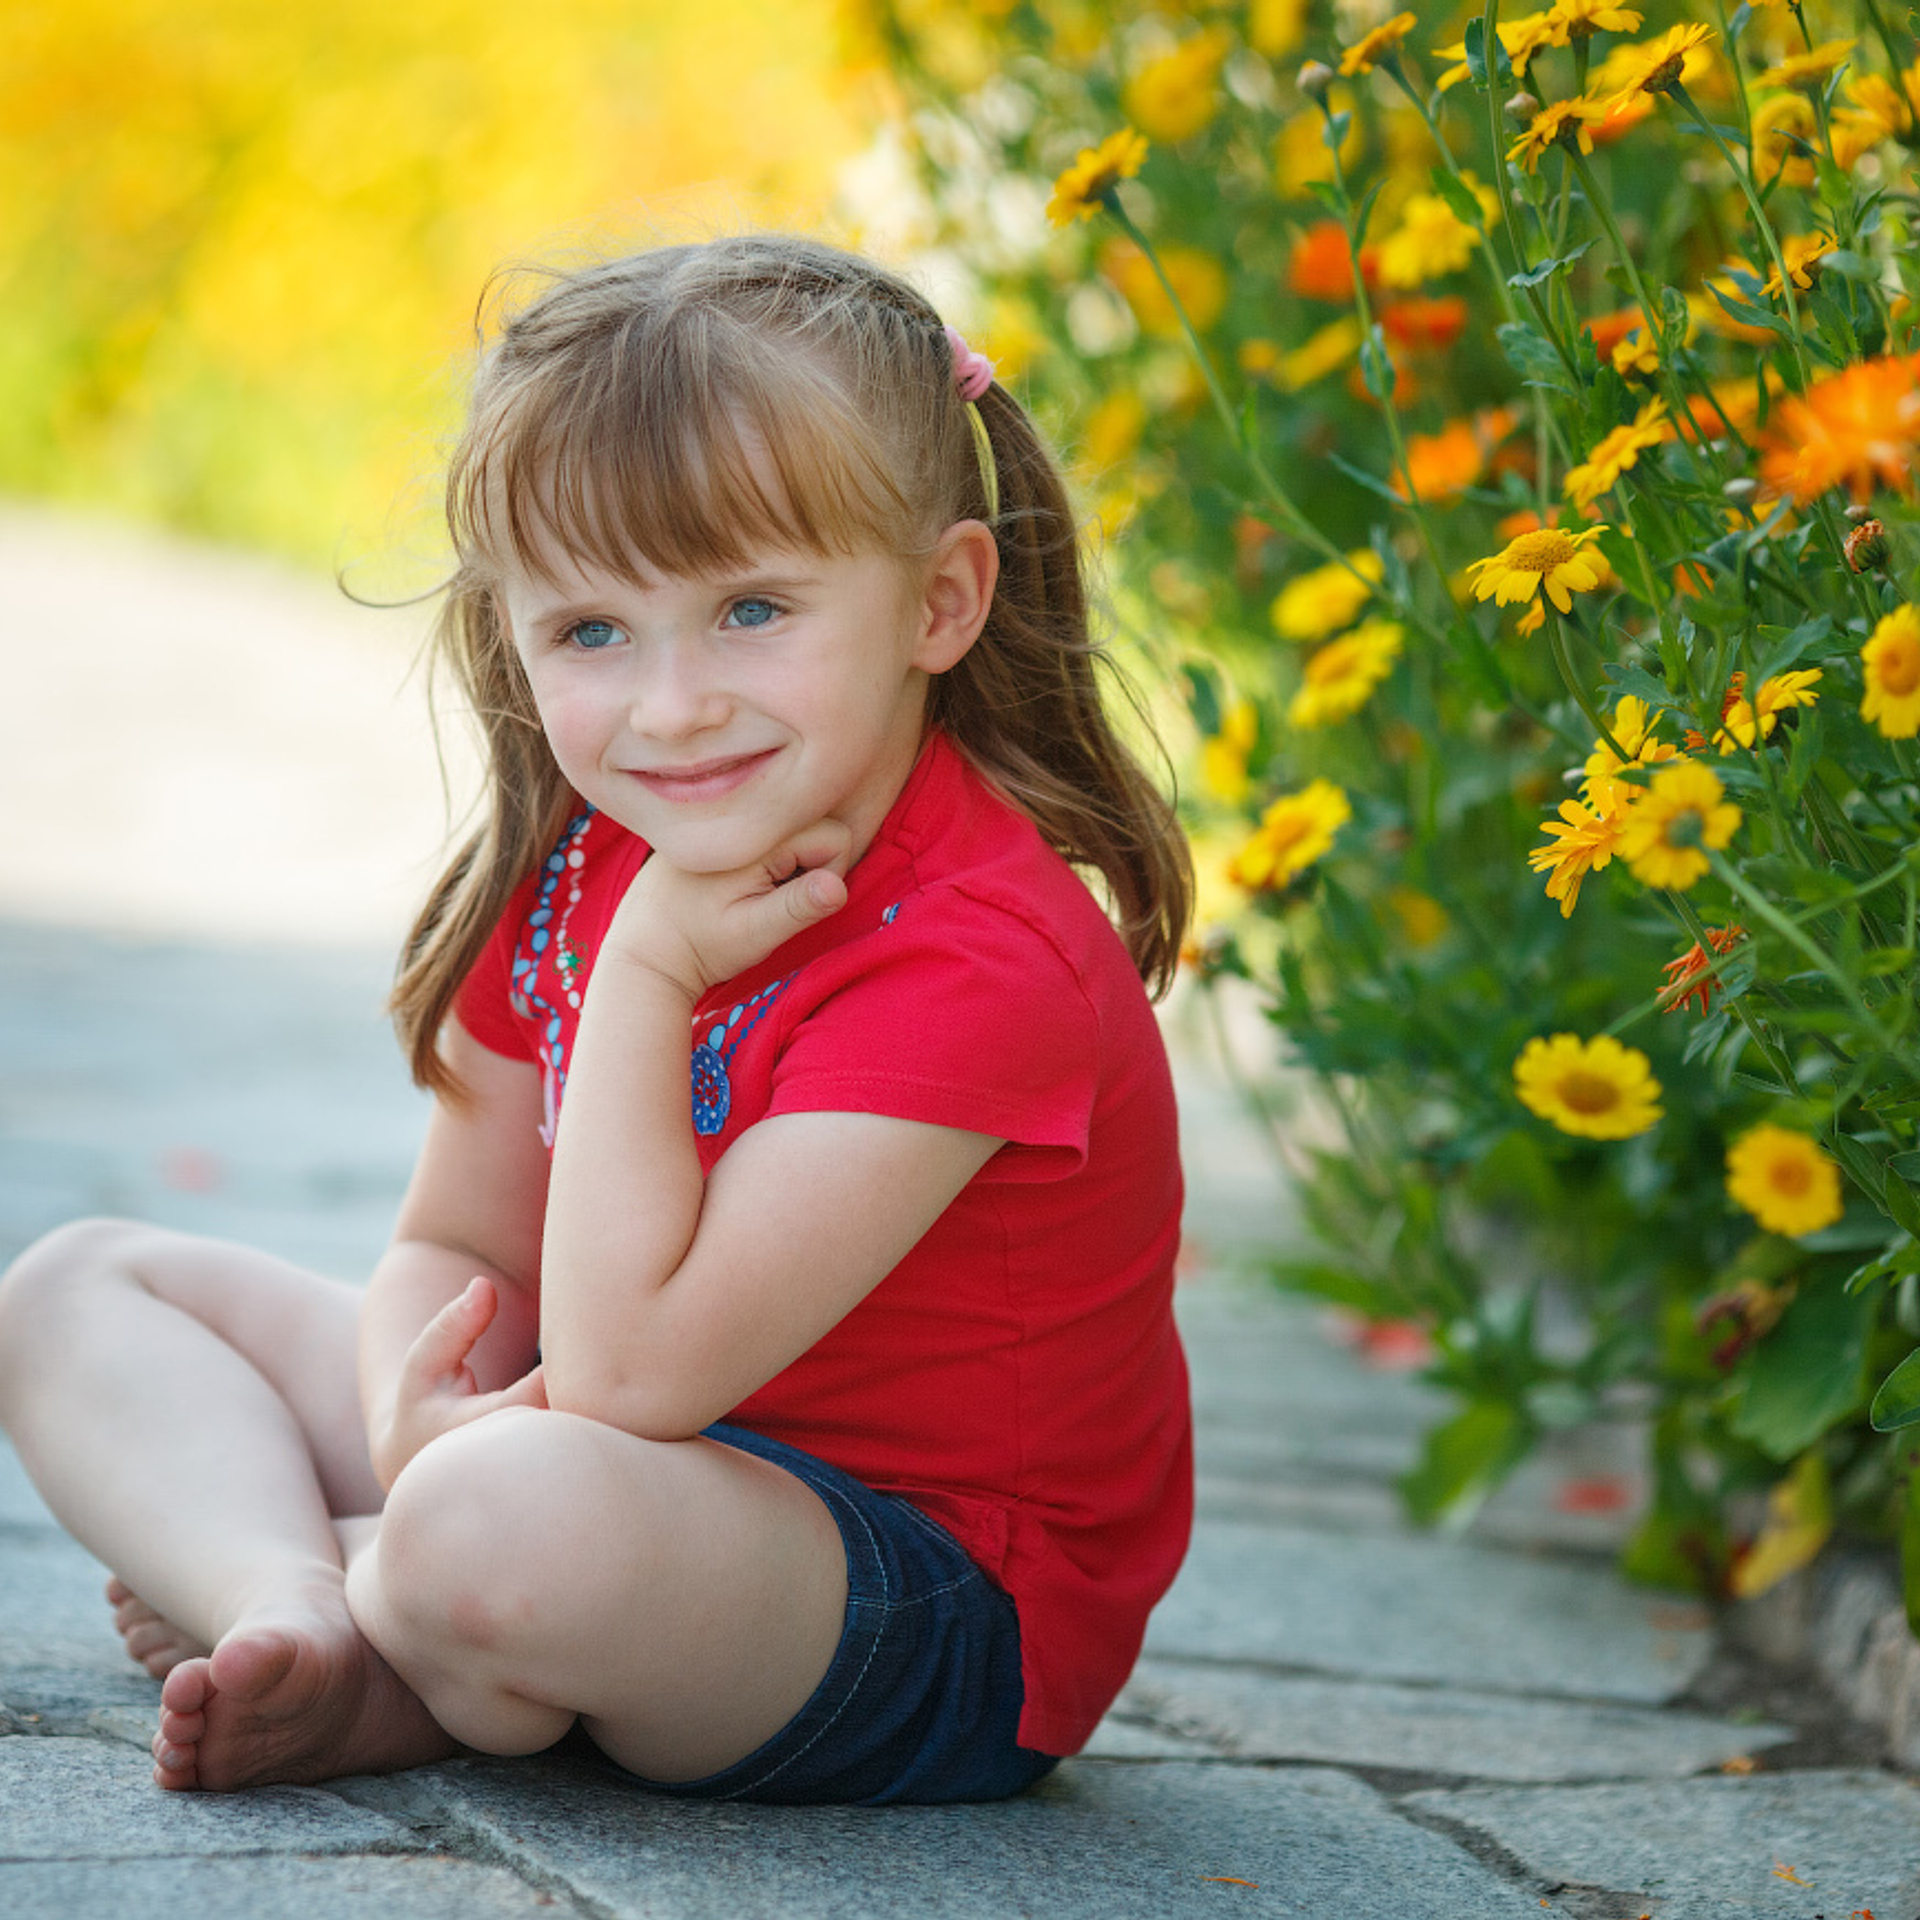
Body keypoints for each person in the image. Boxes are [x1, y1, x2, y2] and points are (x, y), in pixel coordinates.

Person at [0, 233, 1195, 1806]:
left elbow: (634, 1385)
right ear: (516, 632)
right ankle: (299, 1608)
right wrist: (403, 1414)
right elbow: (457, 1250)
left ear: (941, 599)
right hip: (600, 1453)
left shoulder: (975, 961)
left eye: (754, 609)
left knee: (498, 1526)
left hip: (917, 1593)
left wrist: (649, 980)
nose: (672, 705)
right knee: (81, 1288)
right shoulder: (588, 863)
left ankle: (378, 1591)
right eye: (591, 633)